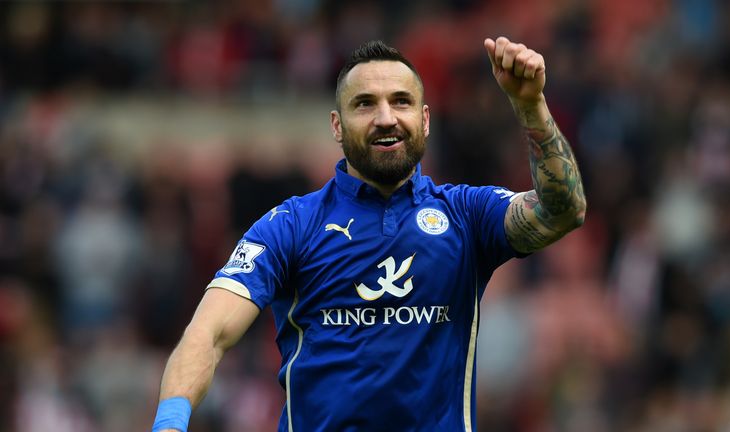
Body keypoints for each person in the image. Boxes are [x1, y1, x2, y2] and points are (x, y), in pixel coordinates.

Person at [152, 37, 586, 432]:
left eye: (401, 102)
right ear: (337, 126)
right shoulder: (290, 225)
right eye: (365, 104)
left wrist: (531, 107)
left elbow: (563, 211)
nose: (385, 118)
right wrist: (170, 424)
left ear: (425, 119)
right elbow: (207, 334)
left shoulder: (466, 214)